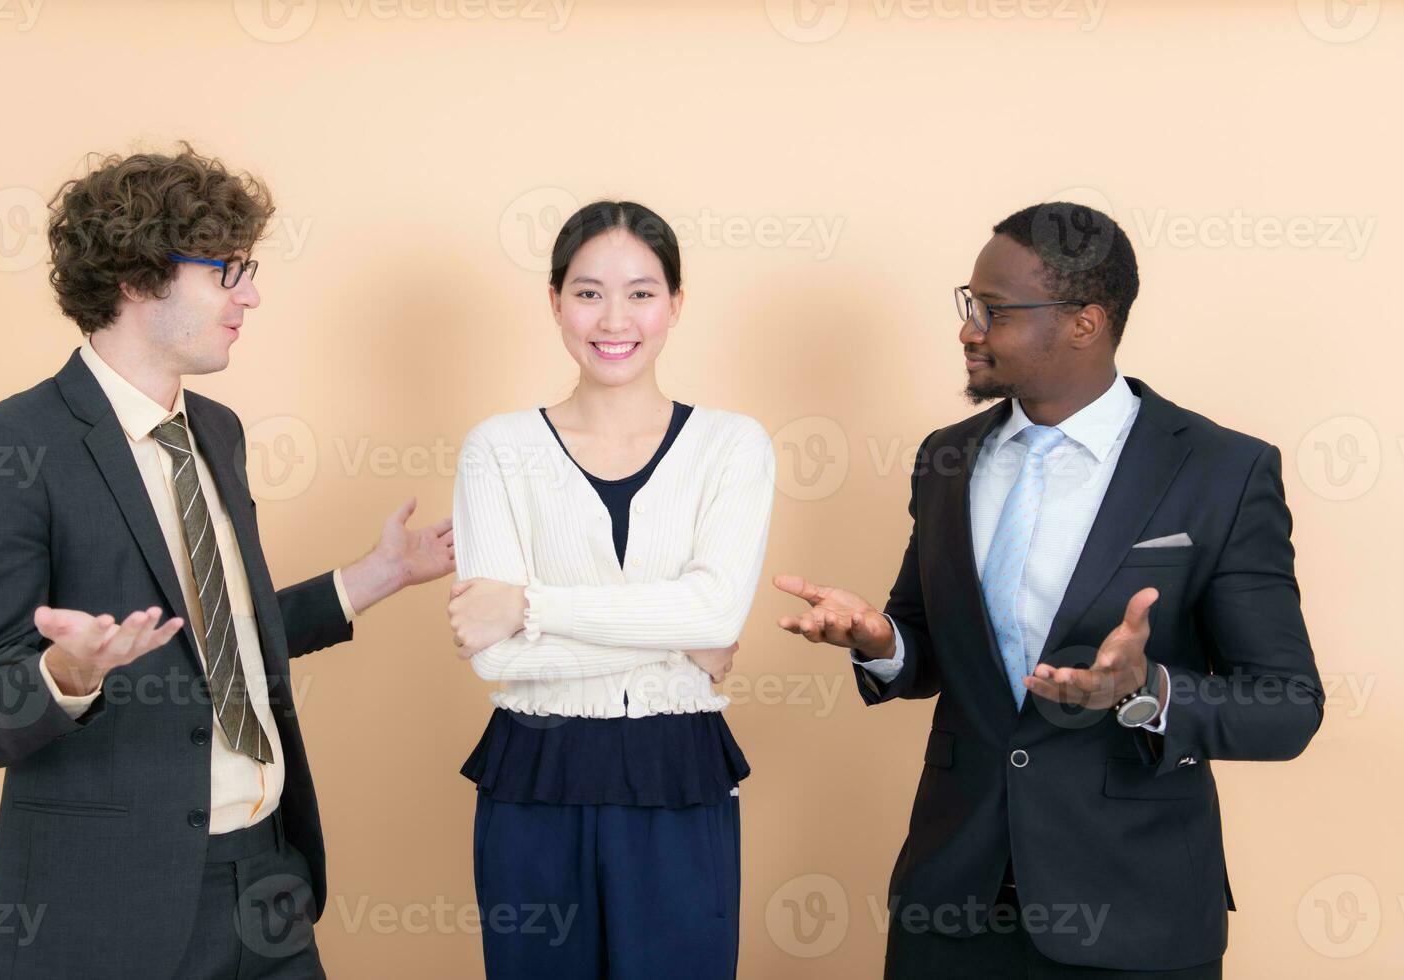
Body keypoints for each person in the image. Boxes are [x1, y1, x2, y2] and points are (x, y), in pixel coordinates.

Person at [0, 144, 455, 978]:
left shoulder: (216, 432)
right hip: (112, 903)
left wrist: (374, 578)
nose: (250, 294)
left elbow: (216, 635)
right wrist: (68, 673)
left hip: (269, 878)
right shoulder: (7, 447)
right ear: (139, 278)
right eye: (227, 270)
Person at [775, 202, 1322, 978]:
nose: (968, 330)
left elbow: (1288, 707)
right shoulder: (947, 459)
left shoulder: (1219, 472)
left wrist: (1144, 691)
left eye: (993, 311)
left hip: (1133, 912)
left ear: (1083, 323)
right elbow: (929, 646)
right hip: (950, 907)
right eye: (968, 306)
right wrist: (884, 643)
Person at [447, 200, 775, 979]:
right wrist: (680, 636)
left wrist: (530, 607)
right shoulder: (498, 448)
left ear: (675, 305)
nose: (613, 318)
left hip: (677, 773)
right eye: (588, 292)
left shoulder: (732, 446)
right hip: (534, 774)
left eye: (640, 292)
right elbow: (493, 661)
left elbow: (717, 611)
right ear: (555, 301)